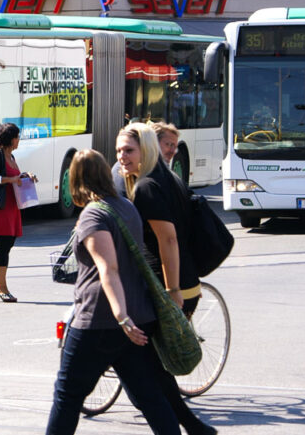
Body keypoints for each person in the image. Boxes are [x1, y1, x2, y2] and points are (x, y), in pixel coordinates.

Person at [46, 149, 179, 435]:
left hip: (100, 321)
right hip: (136, 318)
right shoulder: (126, 207)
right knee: (150, 397)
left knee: (67, 396)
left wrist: (121, 318)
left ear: (77, 179)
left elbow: (109, 269)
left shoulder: (93, 215)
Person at [116, 122, 215, 435]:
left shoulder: (147, 186)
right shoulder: (165, 177)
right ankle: (190, 425)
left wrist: (172, 291)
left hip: (169, 286)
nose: (121, 156)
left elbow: (167, 240)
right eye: (118, 150)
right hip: (181, 281)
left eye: (129, 150)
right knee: (152, 364)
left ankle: (186, 424)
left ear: (144, 149)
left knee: (147, 363)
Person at [0, 122, 36, 303]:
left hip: (11, 207)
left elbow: (14, 177)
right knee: (3, 246)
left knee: (8, 245)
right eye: (17, 137)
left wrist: (25, 176)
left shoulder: (11, 156)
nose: (19, 140)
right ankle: (1, 286)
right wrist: (12, 179)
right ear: (11, 139)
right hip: (1, 208)